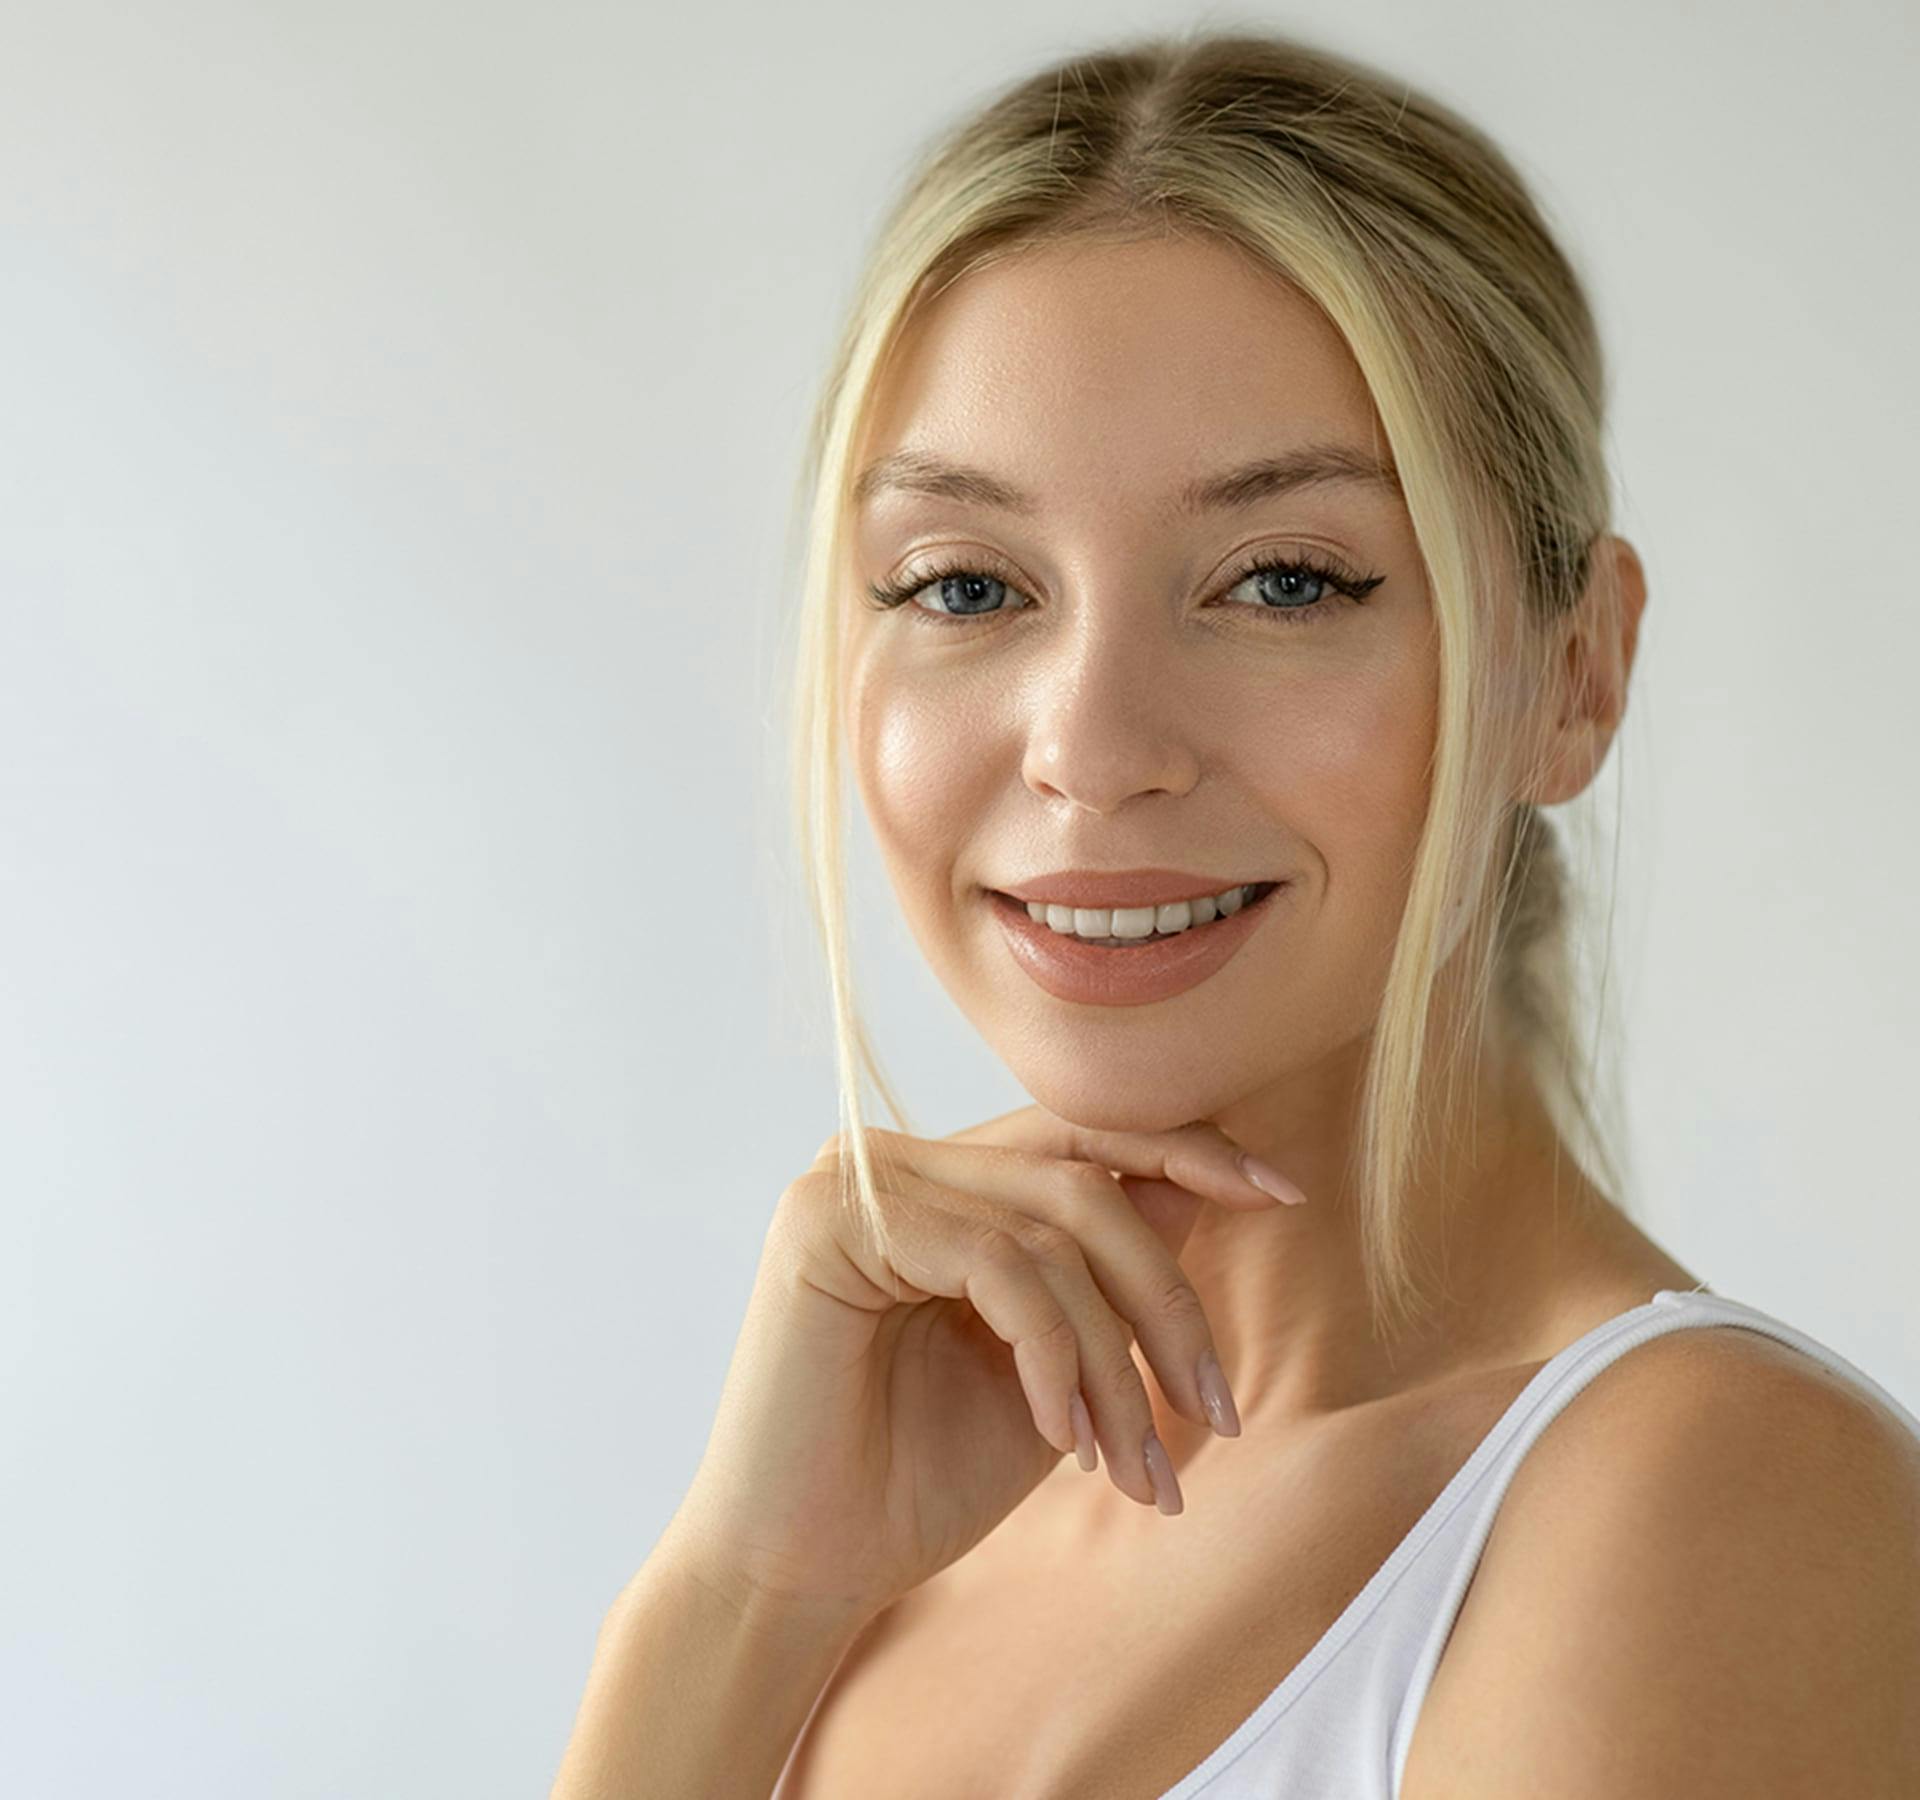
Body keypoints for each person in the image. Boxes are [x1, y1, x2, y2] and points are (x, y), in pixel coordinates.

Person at [549, 28, 1920, 1799]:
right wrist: (731, 1607)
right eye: (966, 584)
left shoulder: (1699, 1506)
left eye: (1286, 580)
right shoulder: (867, 1537)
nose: (1092, 749)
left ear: (1573, 677)